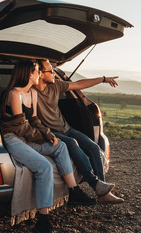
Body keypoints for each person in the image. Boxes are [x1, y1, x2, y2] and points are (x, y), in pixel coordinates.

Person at [0, 60, 109, 233]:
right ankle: (43, 221)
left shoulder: (32, 95)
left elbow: (34, 121)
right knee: (44, 166)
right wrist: (44, 137)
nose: (38, 74)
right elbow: (19, 127)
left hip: (28, 136)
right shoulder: (15, 94)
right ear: (29, 74)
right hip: (14, 138)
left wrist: (50, 135)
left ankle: (73, 191)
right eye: (36, 71)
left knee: (61, 146)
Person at [34, 59, 124, 204]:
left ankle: (103, 193)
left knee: (94, 148)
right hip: (51, 132)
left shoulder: (55, 85)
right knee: (72, 143)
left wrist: (103, 79)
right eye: (50, 71)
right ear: (39, 74)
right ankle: (95, 184)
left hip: (66, 128)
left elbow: (79, 84)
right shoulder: (31, 92)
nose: (53, 73)